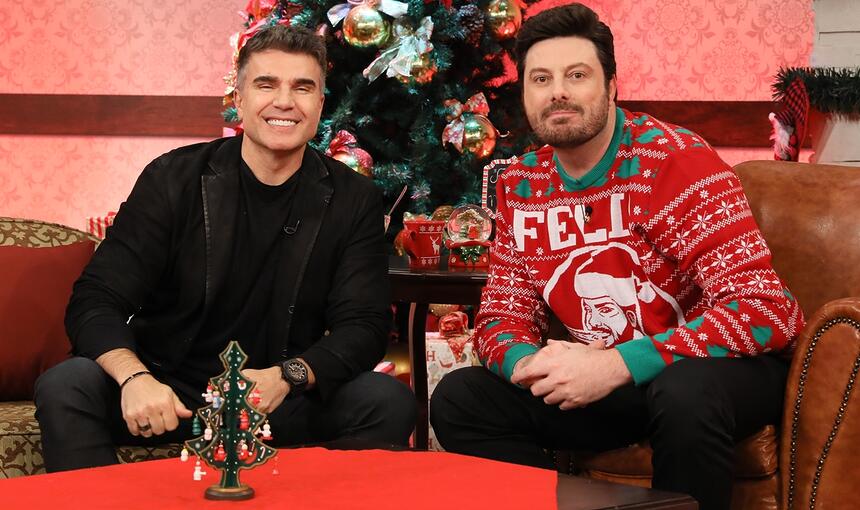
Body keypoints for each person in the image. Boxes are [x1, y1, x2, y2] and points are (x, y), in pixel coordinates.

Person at [429, 4, 803, 510]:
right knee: (460, 398)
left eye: (576, 75)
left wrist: (619, 363)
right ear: (526, 95)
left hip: (714, 374)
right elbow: (501, 318)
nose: (557, 91)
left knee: (685, 392)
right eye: (541, 78)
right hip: (618, 386)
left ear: (610, 86)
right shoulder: (522, 184)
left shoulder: (676, 163)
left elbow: (767, 311)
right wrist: (533, 364)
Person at [35, 24, 416, 472]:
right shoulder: (172, 179)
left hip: (274, 398)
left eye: (302, 87)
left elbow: (365, 324)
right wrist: (135, 378)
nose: (284, 102)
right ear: (238, 99)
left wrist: (289, 376)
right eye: (266, 84)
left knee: (384, 400)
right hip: (168, 393)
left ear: (319, 105)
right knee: (67, 384)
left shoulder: (353, 200)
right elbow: (95, 300)